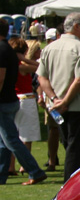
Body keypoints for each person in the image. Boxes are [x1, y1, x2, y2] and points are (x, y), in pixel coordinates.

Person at [38, 12, 80, 180]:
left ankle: (71, 179)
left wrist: (55, 99)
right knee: (75, 146)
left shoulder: (49, 48)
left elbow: (42, 77)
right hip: (76, 105)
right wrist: (65, 101)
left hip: (57, 106)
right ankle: (70, 182)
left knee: (69, 144)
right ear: (76, 26)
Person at [0, 19, 47, 185]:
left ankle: (34, 170)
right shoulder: (11, 54)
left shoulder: (3, 51)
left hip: (7, 100)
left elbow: (1, 78)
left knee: (10, 139)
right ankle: (2, 173)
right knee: (6, 140)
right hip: (15, 99)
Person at [7, 37, 40, 175]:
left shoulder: (7, 64)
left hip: (12, 99)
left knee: (11, 134)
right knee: (26, 135)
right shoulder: (22, 65)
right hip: (26, 99)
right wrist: (25, 59)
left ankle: (10, 166)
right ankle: (25, 165)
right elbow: (40, 68)